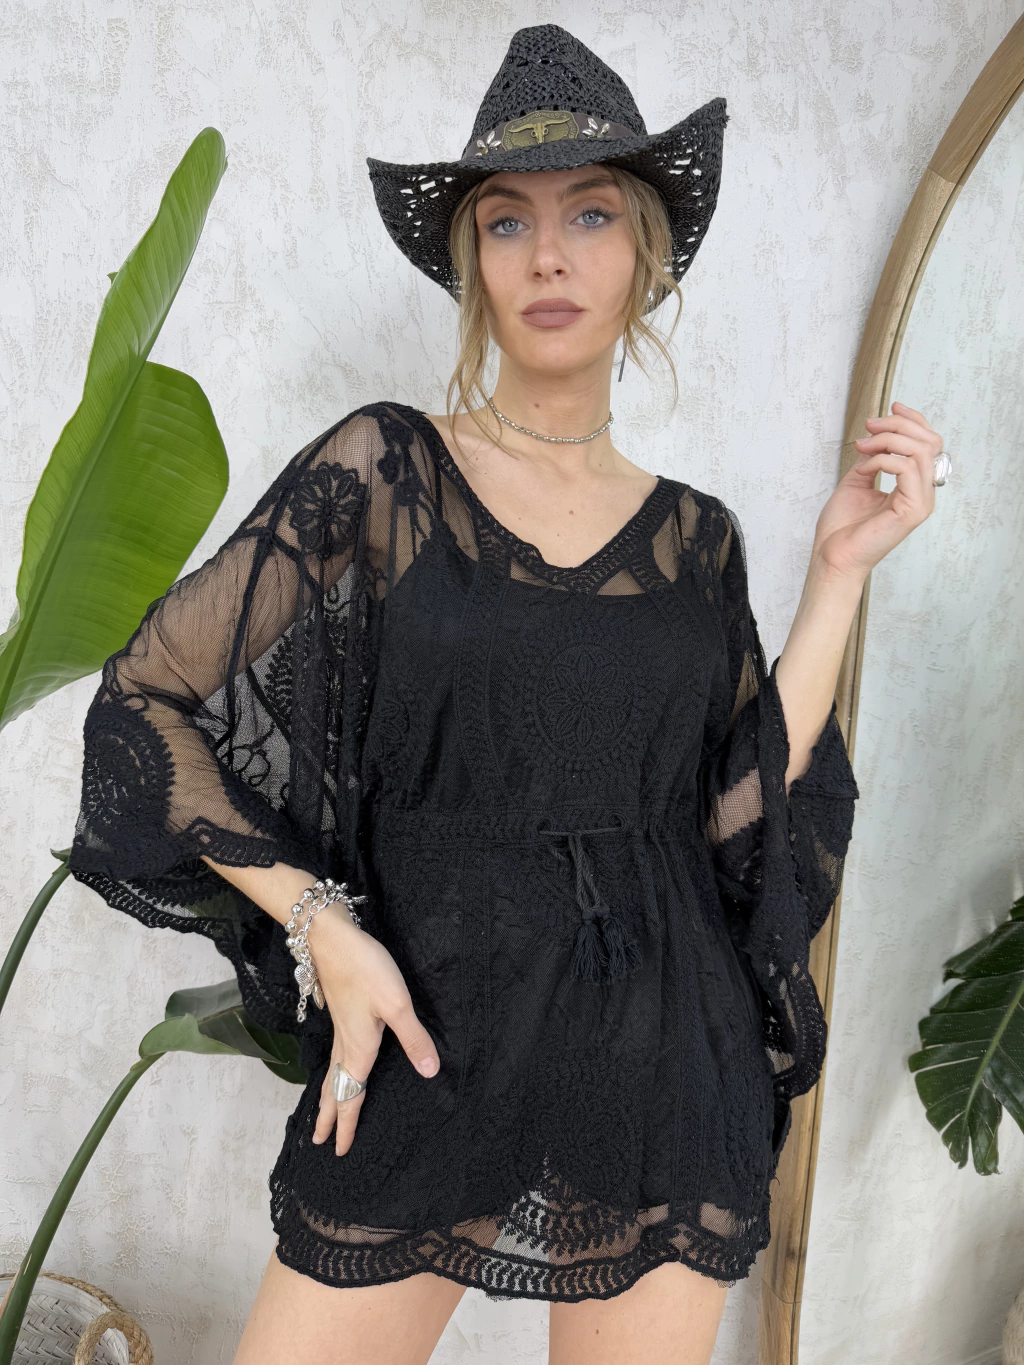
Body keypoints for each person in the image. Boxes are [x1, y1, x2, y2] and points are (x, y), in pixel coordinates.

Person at [66, 23, 948, 1365]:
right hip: (432, 1039)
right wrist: (320, 923)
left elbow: (738, 823)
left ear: (645, 254)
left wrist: (836, 578)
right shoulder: (385, 472)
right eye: (507, 221)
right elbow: (146, 702)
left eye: (591, 214)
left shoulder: (697, 538)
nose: (548, 256)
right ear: (471, 262)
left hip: (663, 1059)